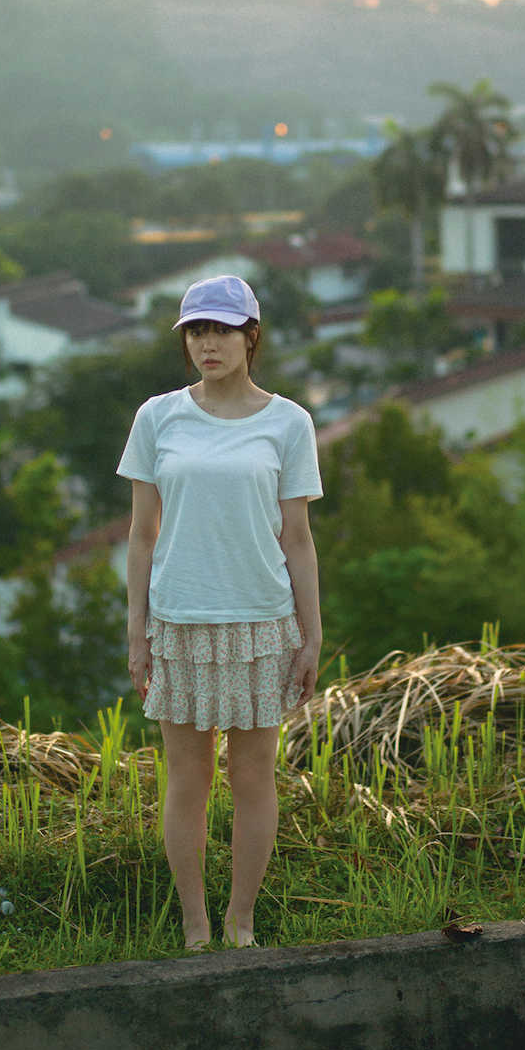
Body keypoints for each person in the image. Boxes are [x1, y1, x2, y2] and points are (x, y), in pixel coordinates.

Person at [117, 274, 323, 952]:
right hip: (179, 621)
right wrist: (137, 631)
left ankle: (241, 921)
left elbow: (297, 538)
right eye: (196, 332)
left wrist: (311, 635)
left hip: (263, 621)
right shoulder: (158, 417)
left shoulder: (288, 422)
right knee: (188, 779)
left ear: (250, 337)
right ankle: (194, 924)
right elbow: (142, 535)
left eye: (222, 331)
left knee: (253, 777)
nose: (207, 344)